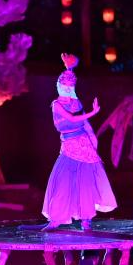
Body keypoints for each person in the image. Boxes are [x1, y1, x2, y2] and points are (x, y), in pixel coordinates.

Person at [41, 53, 117, 230]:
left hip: (84, 145)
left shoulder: (76, 102)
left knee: (85, 182)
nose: (68, 89)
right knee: (63, 181)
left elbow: (84, 123)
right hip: (69, 146)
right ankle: (56, 219)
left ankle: (86, 220)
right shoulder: (56, 104)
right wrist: (93, 112)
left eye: (70, 86)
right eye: (65, 86)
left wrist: (93, 138)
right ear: (59, 86)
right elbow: (72, 119)